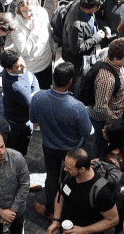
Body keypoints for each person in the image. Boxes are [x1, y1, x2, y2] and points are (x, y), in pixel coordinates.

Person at [31, 64, 94, 218]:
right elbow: (86, 132)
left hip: (49, 146)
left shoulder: (38, 97)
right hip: (72, 150)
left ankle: (50, 209)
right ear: (70, 81)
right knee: (72, 178)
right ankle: (69, 209)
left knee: (52, 176)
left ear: (53, 77)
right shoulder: (77, 107)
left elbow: (34, 120)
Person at [46, 148, 121, 234]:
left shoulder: (102, 192)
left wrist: (83, 230)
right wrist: (56, 220)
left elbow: (113, 220)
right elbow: (61, 195)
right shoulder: (69, 174)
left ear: (82, 169)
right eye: (65, 165)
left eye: (69, 168)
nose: (65, 169)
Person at [87, 38, 124, 154]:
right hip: (103, 120)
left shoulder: (111, 62)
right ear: (115, 58)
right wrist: (116, 120)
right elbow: (100, 107)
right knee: (101, 146)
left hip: (111, 116)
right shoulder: (107, 79)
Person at [0, 50, 39, 154]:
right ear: (9, 69)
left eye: (22, 63)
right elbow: (33, 104)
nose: (23, 68)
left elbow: (32, 76)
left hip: (12, 118)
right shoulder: (16, 88)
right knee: (19, 151)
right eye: (18, 67)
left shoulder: (9, 72)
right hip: (20, 126)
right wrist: (35, 91)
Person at [63, 0, 109, 73]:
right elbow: (76, 50)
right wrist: (96, 38)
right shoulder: (76, 26)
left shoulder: (81, 2)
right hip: (79, 63)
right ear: (95, 6)